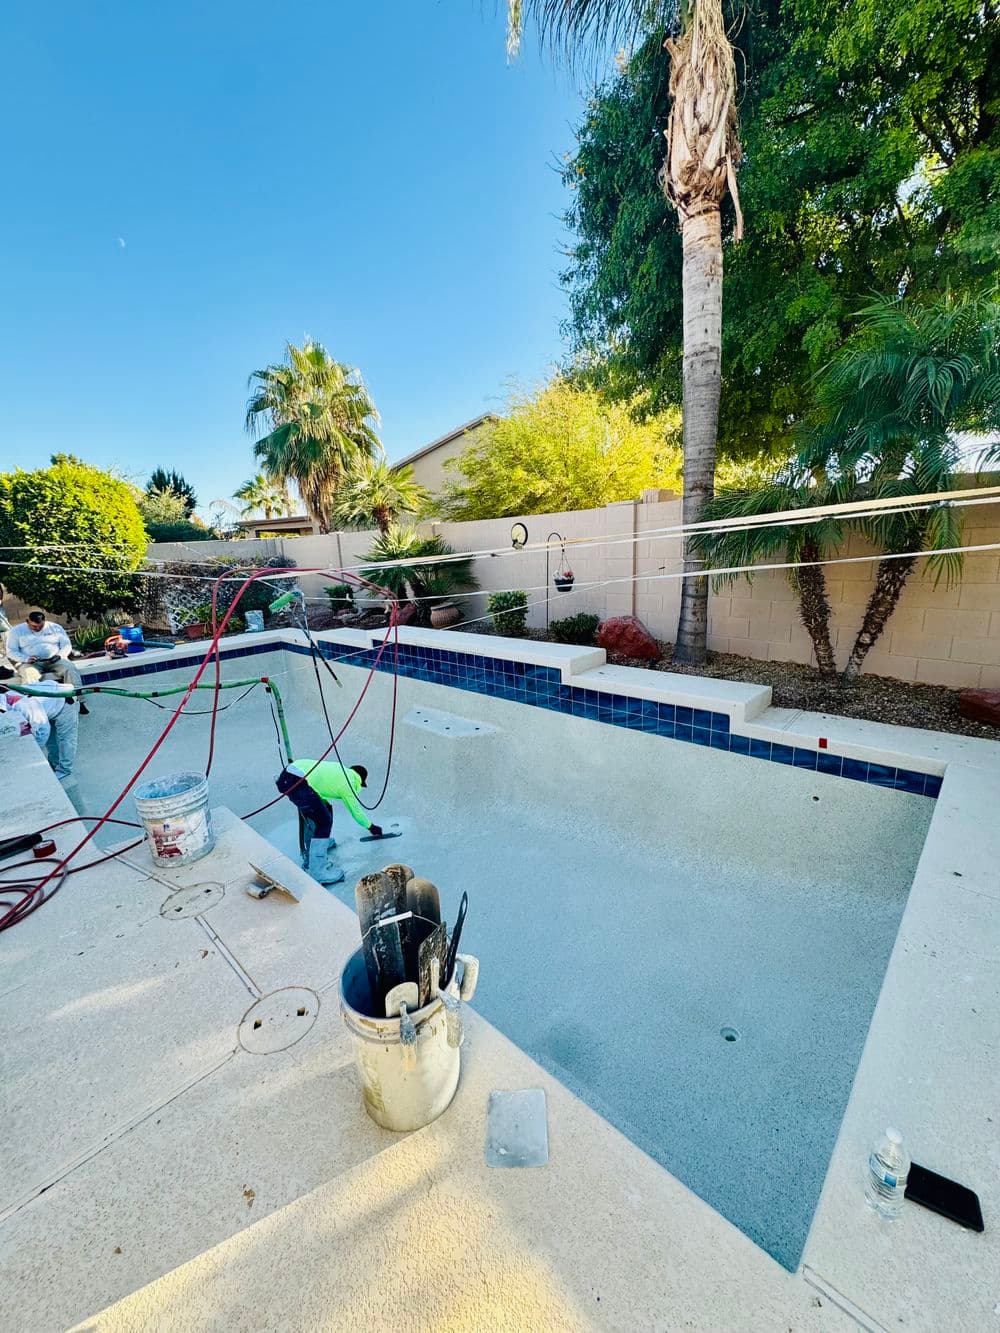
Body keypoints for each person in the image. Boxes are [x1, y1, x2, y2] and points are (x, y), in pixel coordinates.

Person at [275, 759, 385, 883]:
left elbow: (319, 786)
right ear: (360, 780)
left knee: (323, 809)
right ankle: (318, 871)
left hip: (290, 775)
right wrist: (371, 826)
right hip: (296, 782)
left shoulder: (340, 770)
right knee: (323, 821)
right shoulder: (349, 782)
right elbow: (356, 811)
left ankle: (315, 847)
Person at [6, 609, 89, 712]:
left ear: (44, 621)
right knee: (28, 674)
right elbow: (10, 651)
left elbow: (66, 645)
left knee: (70, 669)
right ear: (27, 621)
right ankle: (36, 706)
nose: (38, 629)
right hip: (31, 662)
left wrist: (59, 655)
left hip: (55, 659)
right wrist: (26, 658)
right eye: (34, 627)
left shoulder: (55, 627)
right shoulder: (17, 631)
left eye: (40, 626)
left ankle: (78, 701)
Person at [0, 675, 78, 781]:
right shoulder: (6, 701)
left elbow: (43, 729)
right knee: (51, 743)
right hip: (47, 704)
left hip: (65, 701)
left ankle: (64, 770)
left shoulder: (22, 705)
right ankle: (54, 766)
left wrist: (33, 751)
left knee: (65, 740)